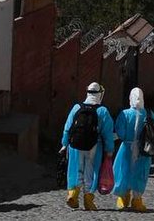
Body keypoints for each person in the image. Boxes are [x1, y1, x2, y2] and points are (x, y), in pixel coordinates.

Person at [61, 82, 115, 211]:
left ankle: (73, 194)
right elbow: (108, 133)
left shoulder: (76, 107)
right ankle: (88, 199)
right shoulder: (102, 111)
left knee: (75, 168)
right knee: (91, 170)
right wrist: (109, 149)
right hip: (94, 145)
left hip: (75, 144)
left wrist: (64, 143)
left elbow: (67, 127)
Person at [111, 88, 154, 212]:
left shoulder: (125, 114)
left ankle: (123, 197)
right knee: (140, 173)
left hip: (126, 148)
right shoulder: (149, 114)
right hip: (144, 148)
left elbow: (120, 132)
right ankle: (137, 199)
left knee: (123, 171)